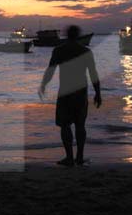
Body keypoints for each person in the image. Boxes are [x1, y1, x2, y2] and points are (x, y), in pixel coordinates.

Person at [39, 25, 102, 167]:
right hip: (80, 92)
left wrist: (43, 85)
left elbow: (50, 70)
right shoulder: (85, 51)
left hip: (65, 92)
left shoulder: (59, 50)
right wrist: (98, 93)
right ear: (78, 36)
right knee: (80, 125)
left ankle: (69, 157)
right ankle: (79, 157)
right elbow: (93, 74)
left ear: (67, 35)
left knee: (65, 125)